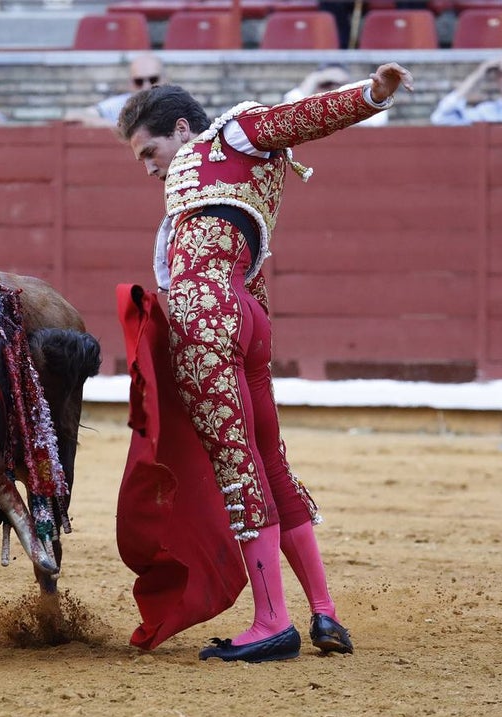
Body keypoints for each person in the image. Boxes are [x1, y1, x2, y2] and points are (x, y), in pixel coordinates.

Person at [116, 62, 414, 663]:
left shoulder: (231, 133)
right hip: (250, 310)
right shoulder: (236, 165)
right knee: (270, 463)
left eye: (150, 152)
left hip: (209, 314)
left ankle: (273, 622)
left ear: (180, 128)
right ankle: (324, 614)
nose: (148, 168)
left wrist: (372, 95)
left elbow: (299, 115)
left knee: (238, 466)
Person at [65, 53, 164, 127]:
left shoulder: (175, 103)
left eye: (153, 80)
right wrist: (116, 128)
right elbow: (73, 116)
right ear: (130, 84)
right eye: (139, 81)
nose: (146, 87)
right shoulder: (120, 105)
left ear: (164, 79)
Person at [283, 63, 387, 127]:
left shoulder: (357, 112)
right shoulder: (307, 110)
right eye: (326, 84)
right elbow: (289, 112)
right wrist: (314, 78)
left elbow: (378, 121)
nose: (333, 89)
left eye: (339, 85)